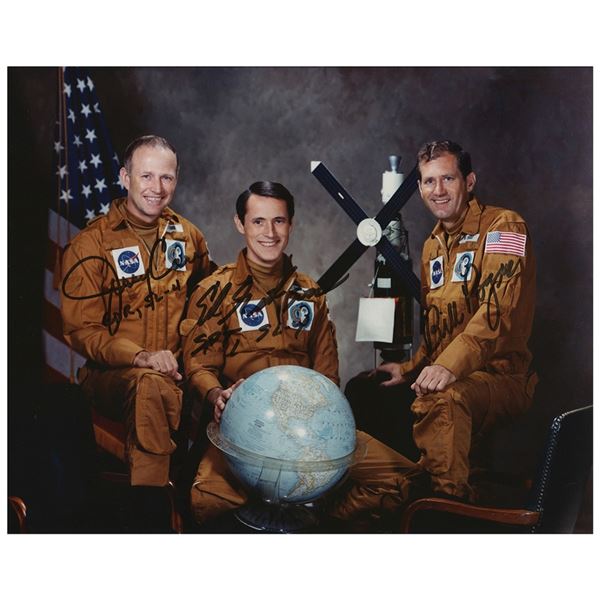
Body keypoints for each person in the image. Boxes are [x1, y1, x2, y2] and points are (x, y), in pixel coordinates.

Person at [181, 181, 416, 528]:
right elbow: (199, 365)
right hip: (245, 426)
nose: (270, 232)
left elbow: (327, 375)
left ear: (291, 224)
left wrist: (321, 429)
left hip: (308, 428)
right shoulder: (215, 291)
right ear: (240, 224)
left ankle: (314, 521)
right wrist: (217, 395)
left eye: (279, 221)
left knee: (402, 481)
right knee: (207, 500)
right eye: (258, 221)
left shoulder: (310, 294)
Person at [346, 140, 537, 502]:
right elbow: (438, 332)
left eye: (448, 178)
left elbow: (496, 314)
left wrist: (447, 367)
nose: (439, 190)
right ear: (419, 188)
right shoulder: (433, 245)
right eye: (429, 181)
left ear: (469, 181)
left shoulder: (504, 227)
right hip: (451, 371)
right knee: (365, 390)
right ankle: (394, 496)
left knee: (444, 399)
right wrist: (410, 368)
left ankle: (445, 509)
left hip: (501, 376)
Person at [60, 135, 214, 529]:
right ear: (125, 178)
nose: (157, 188)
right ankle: (152, 510)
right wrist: (140, 356)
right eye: (146, 176)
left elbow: (209, 306)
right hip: (112, 378)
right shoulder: (91, 244)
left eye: (167, 178)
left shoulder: (189, 238)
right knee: (148, 384)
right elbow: (82, 331)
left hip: (177, 376)